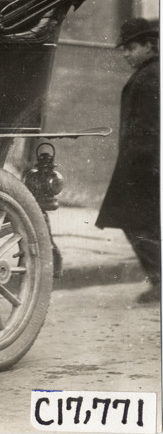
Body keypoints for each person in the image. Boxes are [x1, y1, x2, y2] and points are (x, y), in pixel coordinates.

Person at [96, 18, 160, 304]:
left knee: (136, 221)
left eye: (131, 48)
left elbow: (148, 128)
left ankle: (159, 280)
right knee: (144, 222)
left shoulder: (151, 77)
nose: (125, 54)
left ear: (149, 46)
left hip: (143, 165)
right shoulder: (149, 73)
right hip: (144, 163)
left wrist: (135, 164)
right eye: (124, 49)